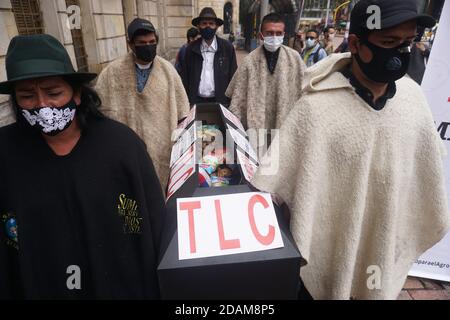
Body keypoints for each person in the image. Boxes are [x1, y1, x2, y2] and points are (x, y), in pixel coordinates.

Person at [251, 0, 450, 300]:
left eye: (408, 43)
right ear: (356, 44)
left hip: (383, 245)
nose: (400, 52)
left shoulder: (414, 100)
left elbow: (423, 175)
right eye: (389, 42)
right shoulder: (316, 108)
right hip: (328, 252)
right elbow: (283, 187)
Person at [0, 34, 165, 299]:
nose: (42, 105)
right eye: (27, 96)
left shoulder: (122, 147)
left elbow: (154, 227)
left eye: (53, 92)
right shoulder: (5, 154)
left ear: (77, 94)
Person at [95, 18, 189, 191]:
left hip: (163, 150)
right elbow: (100, 112)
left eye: (152, 42)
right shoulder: (112, 73)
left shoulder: (168, 71)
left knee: (160, 193)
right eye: (142, 43)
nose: (148, 46)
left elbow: (183, 111)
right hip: (125, 150)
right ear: (130, 44)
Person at [226, 13, 305, 135]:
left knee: (281, 152)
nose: (274, 37)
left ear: (283, 35)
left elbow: (305, 89)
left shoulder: (294, 58)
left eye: (278, 33)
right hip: (257, 129)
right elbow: (237, 96)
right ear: (261, 35)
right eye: (269, 33)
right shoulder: (249, 60)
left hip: (286, 125)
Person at [181, 7, 237, 106]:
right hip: (196, 102)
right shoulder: (191, 49)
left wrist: (230, 102)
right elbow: (185, 77)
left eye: (211, 24)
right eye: (204, 23)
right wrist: (187, 101)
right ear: (198, 26)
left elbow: (233, 77)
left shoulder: (227, 48)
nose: (208, 27)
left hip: (220, 102)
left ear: (216, 26)